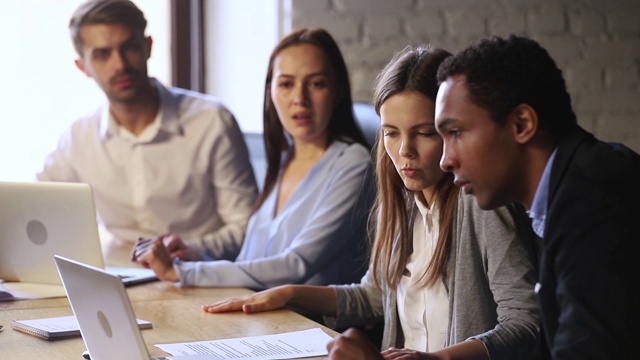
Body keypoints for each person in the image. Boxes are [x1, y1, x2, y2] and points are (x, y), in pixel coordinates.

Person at [202, 46, 541, 360]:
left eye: (424, 133)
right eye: (391, 133)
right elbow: (375, 296)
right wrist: (289, 293)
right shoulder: (404, 202)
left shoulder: (481, 204)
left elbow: (526, 323)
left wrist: (438, 359)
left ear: (450, 131)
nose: (405, 150)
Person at [435, 34, 640, 359]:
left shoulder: (596, 204)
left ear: (522, 124)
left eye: (456, 133)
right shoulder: (574, 188)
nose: (445, 160)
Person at [131, 28, 373, 290]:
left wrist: (184, 271)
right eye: (286, 84)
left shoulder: (354, 165)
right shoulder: (284, 158)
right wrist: (195, 254)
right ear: (271, 91)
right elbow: (253, 261)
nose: (299, 99)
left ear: (337, 90)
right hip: (258, 314)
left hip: (310, 324)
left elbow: (296, 265)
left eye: (316, 84)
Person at [37, 0, 258, 266]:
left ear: (148, 47)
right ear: (82, 67)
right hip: (117, 278)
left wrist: (191, 248)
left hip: (199, 275)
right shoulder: (78, 138)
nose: (119, 64)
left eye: (129, 47)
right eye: (102, 54)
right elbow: (35, 211)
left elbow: (247, 228)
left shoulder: (211, 121)